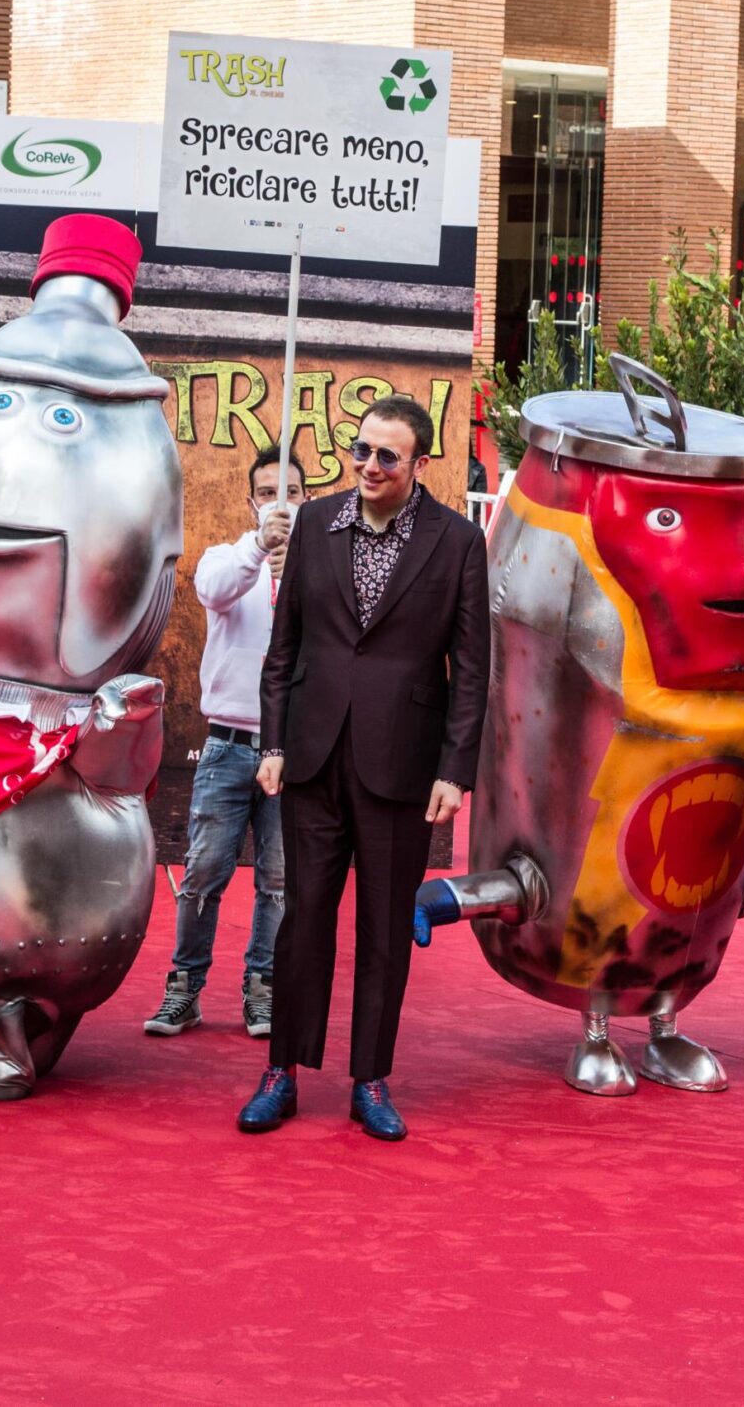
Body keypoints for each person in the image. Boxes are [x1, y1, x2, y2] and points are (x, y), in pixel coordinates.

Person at [238, 395, 490, 1141]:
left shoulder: (457, 541)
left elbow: (471, 667)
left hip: (404, 767)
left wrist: (456, 767)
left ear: (419, 463)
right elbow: (284, 648)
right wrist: (273, 744)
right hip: (311, 757)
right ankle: (282, 1070)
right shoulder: (316, 523)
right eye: (360, 449)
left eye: (387, 455)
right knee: (302, 919)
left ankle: (370, 1078)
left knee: (384, 930)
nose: (369, 465)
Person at [144, 444, 307, 1040]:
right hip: (228, 746)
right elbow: (212, 591)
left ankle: (262, 989)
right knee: (205, 872)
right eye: (267, 493)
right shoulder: (228, 558)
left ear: (306, 498)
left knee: (279, 879)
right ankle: (184, 989)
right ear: (251, 501)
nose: (278, 504)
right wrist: (261, 546)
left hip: (291, 751)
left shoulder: (318, 568)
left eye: (289, 492)